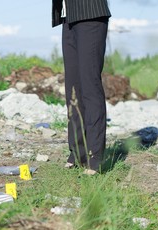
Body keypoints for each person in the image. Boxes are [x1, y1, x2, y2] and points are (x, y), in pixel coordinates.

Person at [52, 0, 111, 175]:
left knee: (90, 86)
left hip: (90, 13)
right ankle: (77, 153)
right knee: (73, 90)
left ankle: (95, 156)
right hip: (68, 17)